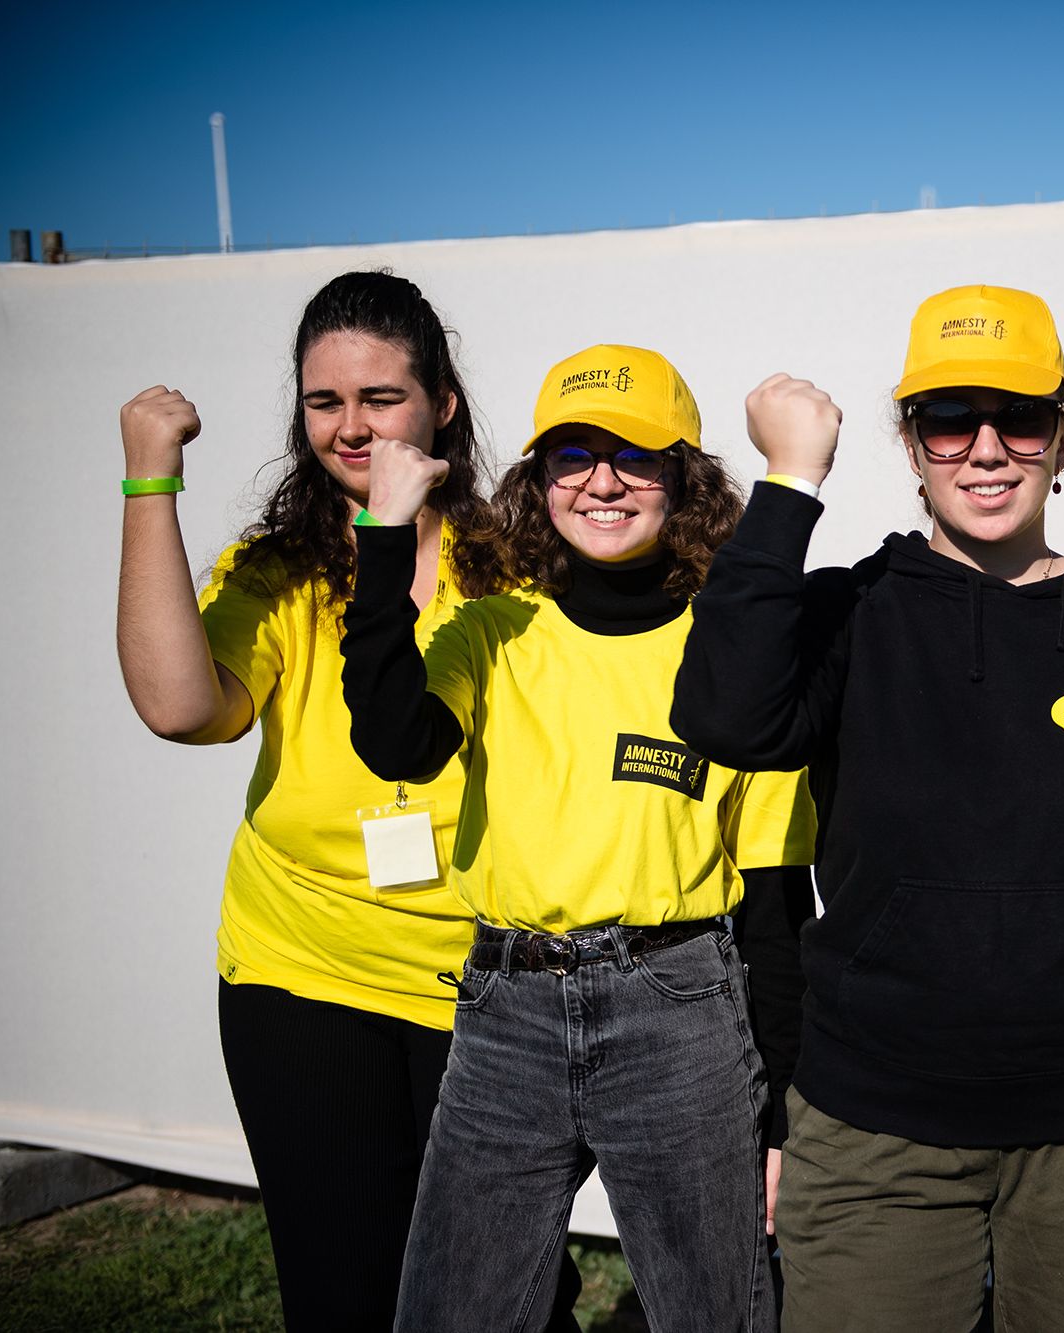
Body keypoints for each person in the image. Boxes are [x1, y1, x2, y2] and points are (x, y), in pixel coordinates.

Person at [670, 285, 1064, 1333]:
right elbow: (723, 713)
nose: (985, 448)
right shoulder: (847, 617)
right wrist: (788, 481)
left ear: (1061, 437)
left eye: (1020, 418)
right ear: (909, 442)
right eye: (949, 419)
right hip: (874, 1134)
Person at [113, 270, 573, 1332]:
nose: (352, 425)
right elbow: (181, 707)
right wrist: (149, 482)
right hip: (303, 972)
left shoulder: (515, 569)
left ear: (441, 404)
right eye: (325, 402)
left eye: (381, 397)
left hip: (488, 980)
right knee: (343, 1295)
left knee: (511, 1298)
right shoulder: (278, 572)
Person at [340, 343, 816, 1333]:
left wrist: (782, 1110)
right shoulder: (491, 629)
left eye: (634, 457)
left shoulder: (731, 652)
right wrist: (382, 532)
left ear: (682, 477)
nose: (602, 481)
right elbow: (394, 738)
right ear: (537, 478)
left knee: (714, 1314)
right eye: (572, 454)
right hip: (506, 1012)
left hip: (679, 1006)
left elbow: (773, 896)